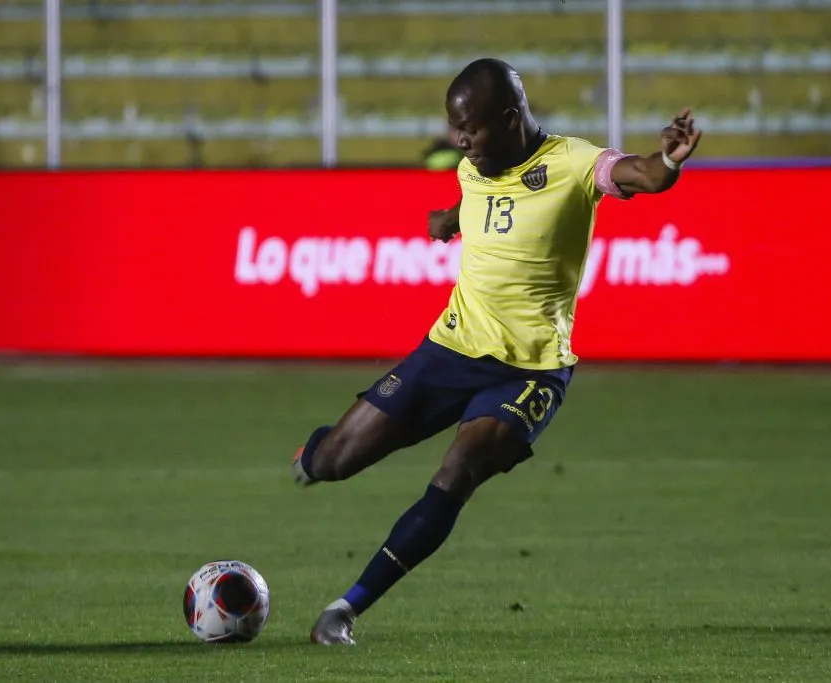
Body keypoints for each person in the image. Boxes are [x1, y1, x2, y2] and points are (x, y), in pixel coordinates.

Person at [292, 57, 702, 645]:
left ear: (510, 119)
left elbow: (641, 174)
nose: (460, 141)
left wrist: (668, 160)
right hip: (450, 349)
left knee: (457, 473)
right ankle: (316, 450)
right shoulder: (473, 167)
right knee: (333, 462)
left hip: (529, 372)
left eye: (470, 129)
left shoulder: (573, 164)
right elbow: (481, 203)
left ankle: (343, 611)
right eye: (456, 129)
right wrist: (447, 219)